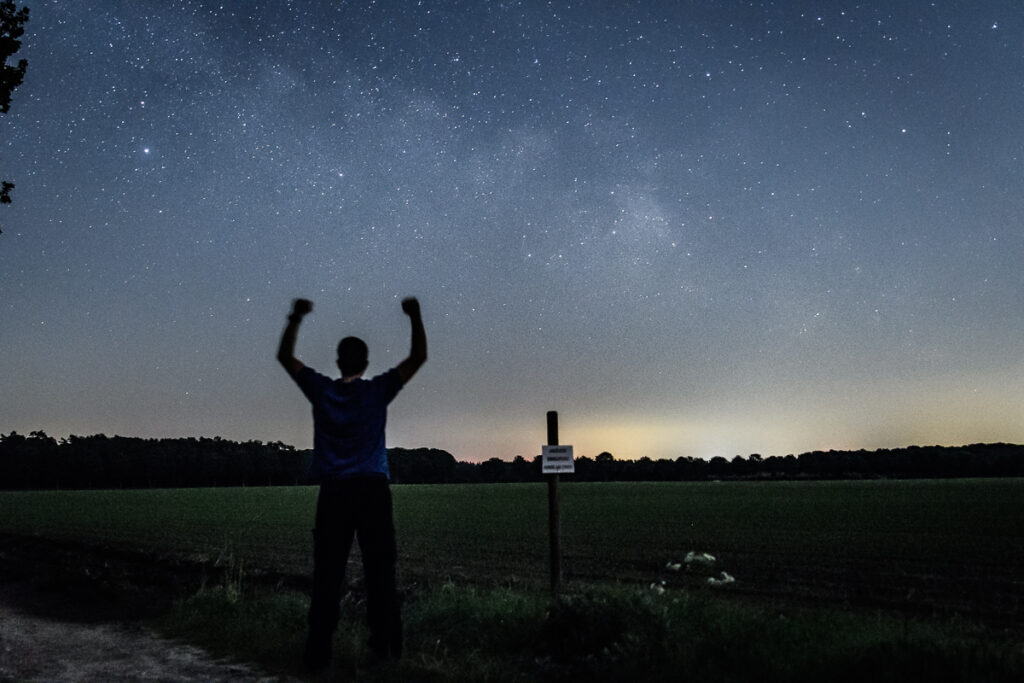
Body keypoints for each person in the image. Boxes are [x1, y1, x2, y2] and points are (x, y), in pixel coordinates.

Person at [277, 296, 427, 670]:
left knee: (328, 573)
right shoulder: (377, 390)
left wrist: (295, 318)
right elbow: (418, 358)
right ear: (365, 363)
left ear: (339, 361)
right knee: (380, 572)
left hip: (334, 493)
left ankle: (317, 654)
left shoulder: (321, 389)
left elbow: (285, 357)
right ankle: (386, 650)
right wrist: (415, 316)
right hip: (373, 491)